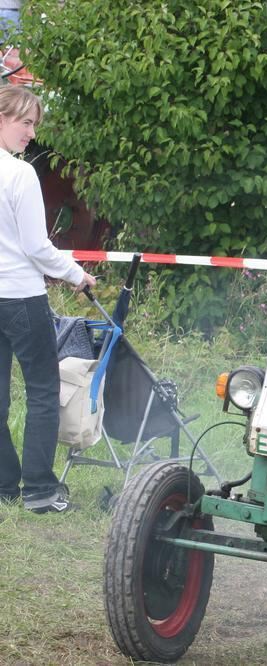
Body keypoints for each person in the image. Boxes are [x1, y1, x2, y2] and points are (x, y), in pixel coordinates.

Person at [0, 86, 96, 513]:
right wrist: (77, 274)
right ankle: (39, 490)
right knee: (43, 391)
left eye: (34, 124)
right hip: (21, 297)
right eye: (24, 122)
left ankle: (4, 486)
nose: (30, 132)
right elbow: (37, 247)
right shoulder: (19, 174)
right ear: (2, 118)